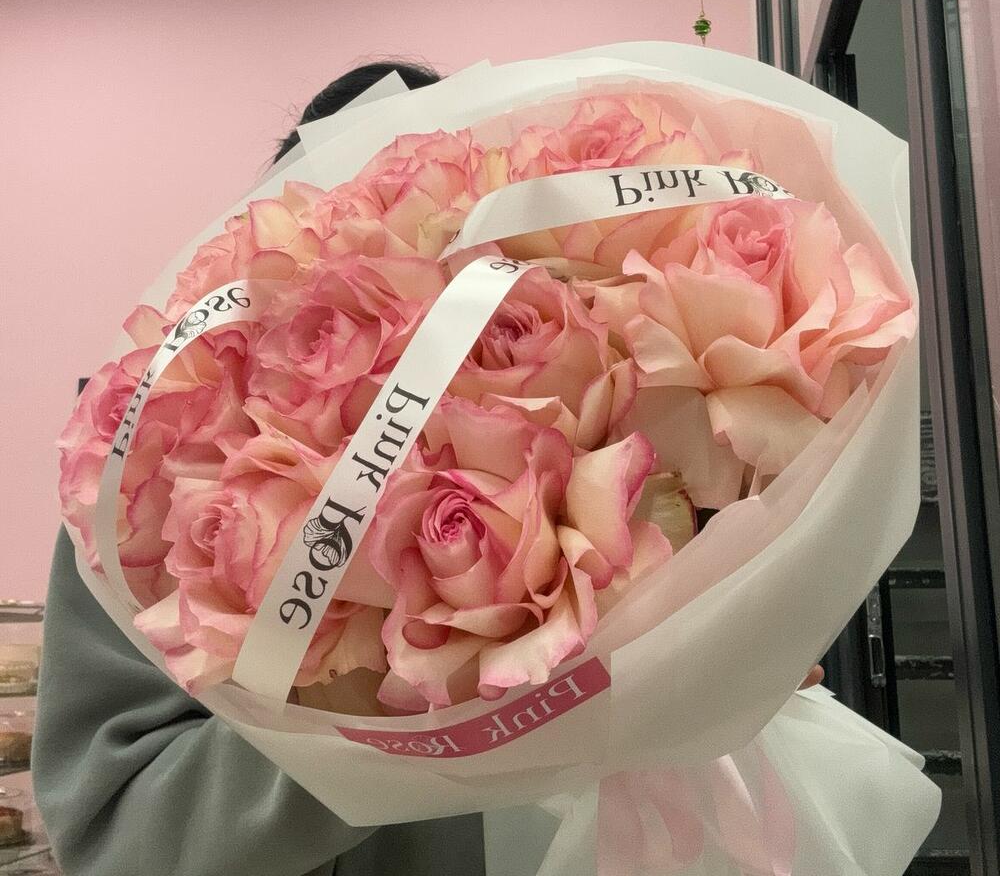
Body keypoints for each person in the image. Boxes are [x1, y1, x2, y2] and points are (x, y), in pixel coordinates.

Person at [33, 60, 823, 876]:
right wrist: (407, 720)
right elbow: (118, 837)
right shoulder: (155, 488)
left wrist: (707, 643)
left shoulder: (616, 408)